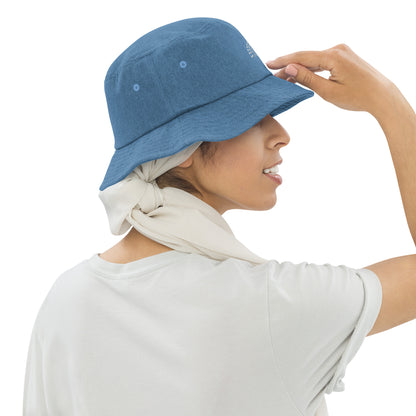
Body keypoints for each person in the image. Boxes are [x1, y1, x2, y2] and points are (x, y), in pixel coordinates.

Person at [22, 17, 416, 416]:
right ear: (185, 148)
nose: (280, 133)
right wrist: (390, 104)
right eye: (252, 115)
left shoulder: (66, 301)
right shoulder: (268, 304)